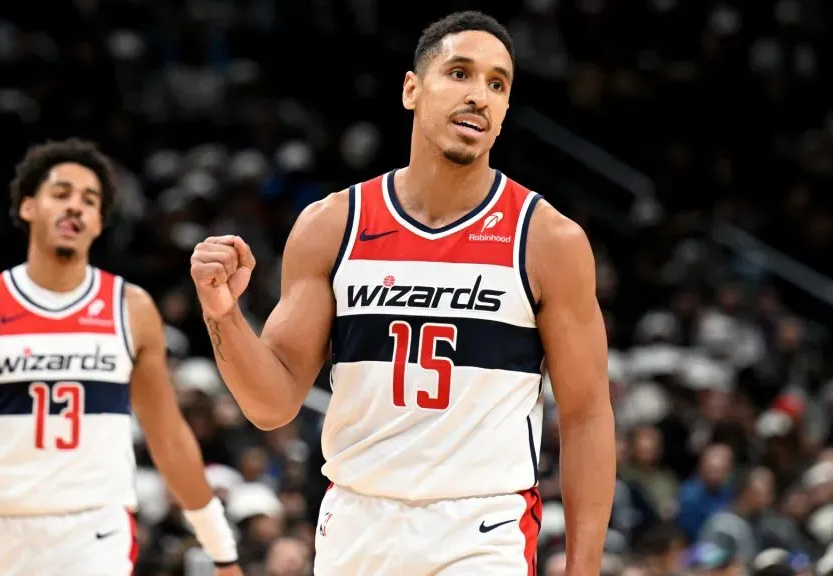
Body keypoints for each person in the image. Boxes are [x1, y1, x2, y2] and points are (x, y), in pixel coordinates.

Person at [190, 11, 615, 575]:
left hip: (481, 528)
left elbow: (586, 415)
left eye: (497, 84)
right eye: (460, 73)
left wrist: (582, 569)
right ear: (412, 88)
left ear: (506, 111)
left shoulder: (547, 239)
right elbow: (272, 404)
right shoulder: (333, 224)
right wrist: (222, 313)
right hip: (355, 522)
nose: (479, 96)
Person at [0, 139, 242, 576]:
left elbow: (169, 438)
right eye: (61, 194)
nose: (75, 207)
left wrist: (221, 550)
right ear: (28, 208)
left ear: (98, 223)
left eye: (89, 201)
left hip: (96, 532)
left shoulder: (130, 308)